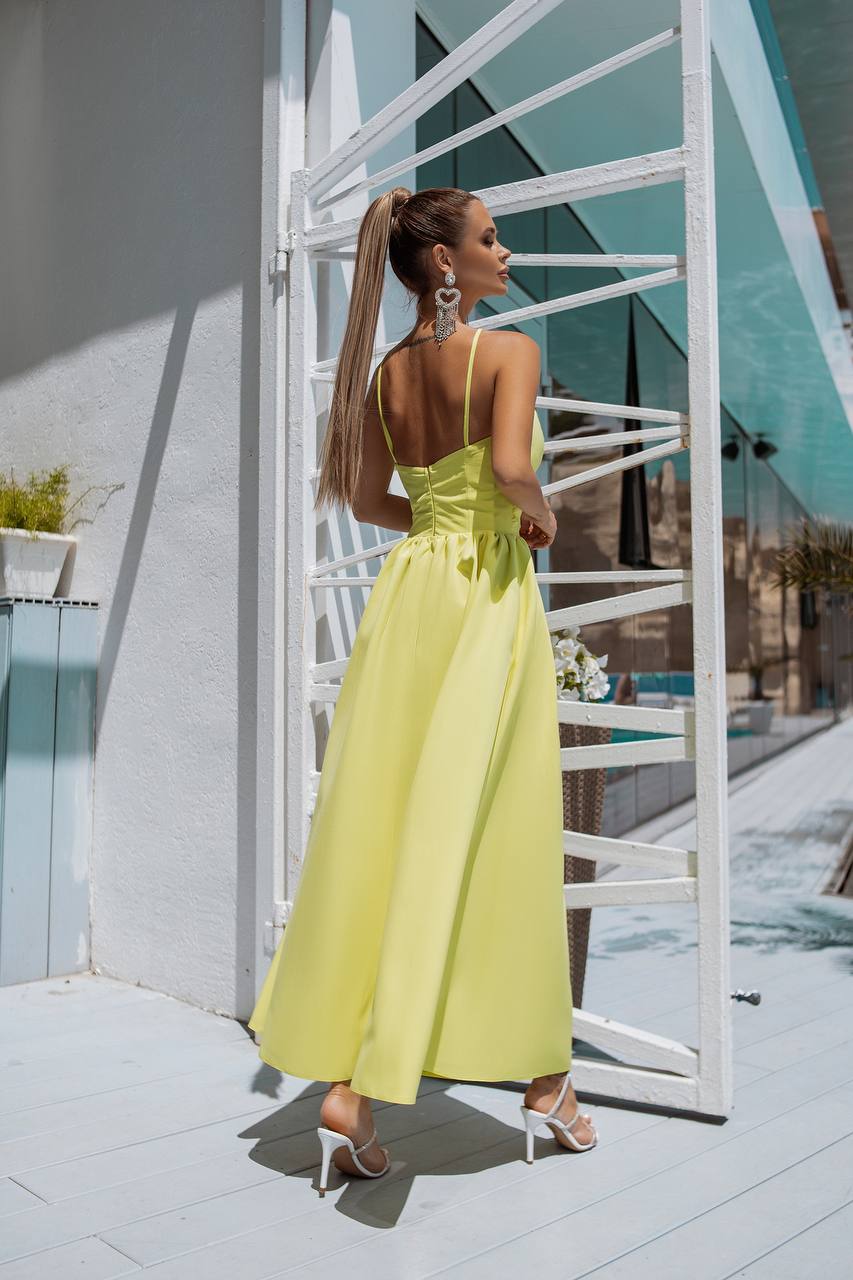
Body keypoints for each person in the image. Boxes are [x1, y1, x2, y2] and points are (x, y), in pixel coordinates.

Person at [248, 186, 598, 1196]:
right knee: (498, 830)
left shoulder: (384, 372)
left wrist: (441, 525)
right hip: (484, 598)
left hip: (405, 603)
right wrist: (531, 519)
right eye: (487, 237)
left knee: (396, 825)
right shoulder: (509, 352)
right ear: (444, 263)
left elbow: (365, 500)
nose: (503, 248)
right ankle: (544, 1081)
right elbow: (511, 464)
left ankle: (355, 1087)